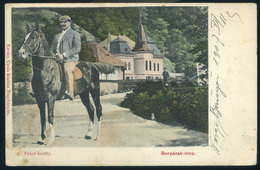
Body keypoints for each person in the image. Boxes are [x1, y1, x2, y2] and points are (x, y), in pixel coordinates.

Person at [50, 15, 81, 100]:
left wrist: (63, 55)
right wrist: (52, 53)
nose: (62, 24)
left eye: (65, 22)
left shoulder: (75, 34)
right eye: (61, 22)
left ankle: (70, 93)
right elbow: (51, 47)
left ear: (69, 22)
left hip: (69, 59)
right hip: (56, 59)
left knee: (67, 71)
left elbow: (77, 48)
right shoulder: (57, 35)